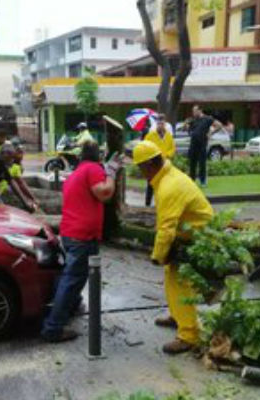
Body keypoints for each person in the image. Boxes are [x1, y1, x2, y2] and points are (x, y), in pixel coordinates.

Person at [132, 140, 213, 354]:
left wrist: (157, 255)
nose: (140, 173)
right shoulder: (167, 176)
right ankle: (178, 316)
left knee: (180, 283)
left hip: (197, 236)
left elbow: (166, 228)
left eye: (140, 169)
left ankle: (189, 335)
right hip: (188, 233)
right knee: (172, 276)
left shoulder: (169, 186)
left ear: (148, 166)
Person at [41, 141, 121, 342]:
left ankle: (71, 307)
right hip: (82, 236)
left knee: (70, 276)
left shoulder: (75, 173)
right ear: (98, 157)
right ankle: (53, 328)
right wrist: (111, 172)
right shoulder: (92, 169)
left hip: (70, 233)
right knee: (73, 279)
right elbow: (104, 193)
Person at [143, 115, 176, 207]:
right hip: (153, 164)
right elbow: (145, 147)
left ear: (165, 124)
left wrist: (168, 155)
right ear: (156, 124)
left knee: (163, 186)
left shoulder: (168, 136)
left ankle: (161, 204)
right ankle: (147, 204)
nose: (160, 125)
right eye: (159, 123)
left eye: (162, 123)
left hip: (164, 164)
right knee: (151, 185)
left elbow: (172, 148)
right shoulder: (150, 136)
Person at [187, 105, 222, 187]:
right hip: (193, 144)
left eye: (195, 111)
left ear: (200, 110)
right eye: (193, 111)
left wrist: (211, 133)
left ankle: (203, 181)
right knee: (192, 163)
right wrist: (186, 126)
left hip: (202, 144)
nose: (193, 113)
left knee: (202, 163)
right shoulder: (194, 120)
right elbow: (189, 129)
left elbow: (219, 125)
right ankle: (192, 181)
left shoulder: (207, 119)